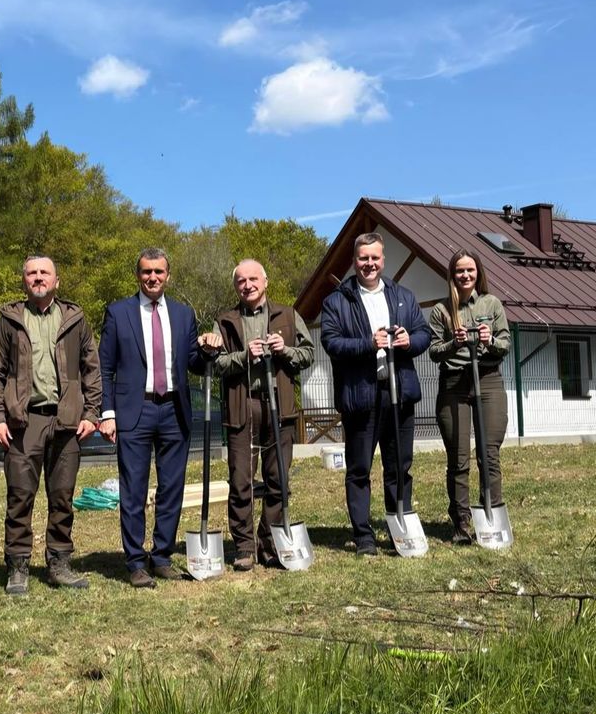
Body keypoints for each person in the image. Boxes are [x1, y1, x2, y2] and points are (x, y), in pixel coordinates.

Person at [0, 255, 102, 596]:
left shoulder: (75, 319)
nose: (38, 278)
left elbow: (91, 367)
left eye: (44, 273)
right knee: (20, 496)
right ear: (24, 280)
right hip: (24, 422)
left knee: (62, 496)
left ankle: (59, 563)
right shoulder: (10, 320)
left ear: (56, 280)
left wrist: (91, 413)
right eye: (32, 273)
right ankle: (18, 566)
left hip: (66, 421)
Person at [98, 247, 207, 587]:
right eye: (146, 272)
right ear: (138, 275)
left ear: (168, 276)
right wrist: (107, 412)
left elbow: (195, 363)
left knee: (172, 488)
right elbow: (104, 367)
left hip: (175, 410)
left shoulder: (184, 314)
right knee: (133, 489)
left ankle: (161, 556)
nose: (153, 278)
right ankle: (134, 562)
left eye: (159, 272)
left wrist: (208, 351)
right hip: (135, 410)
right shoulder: (118, 313)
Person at [320, 232, 431, 555]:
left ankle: (399, 527)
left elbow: (424, 333)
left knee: (400, 466)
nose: (369, 264)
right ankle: (364, 535)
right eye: (363, 258)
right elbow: (331, 343)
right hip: (362, 396)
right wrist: (369, 344)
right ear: (354, 261)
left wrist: (410, 341)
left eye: (375, 258)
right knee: (359, 470)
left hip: (400, 394)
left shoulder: (403, 296)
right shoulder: (337, 301)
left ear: (383, 260)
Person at [200, 260, 314, 570]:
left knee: (278, 480)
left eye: (253, 279)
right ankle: (245, 548)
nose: (247, 285)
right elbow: (216, 363)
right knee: (241, 481)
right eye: (241, 281)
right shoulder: (225, 321)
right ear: (235, 286)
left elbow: (308, 354)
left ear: (265, 281)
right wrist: (243, 357)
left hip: (279, 405)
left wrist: (284, 350)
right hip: (243, 404)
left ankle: (270, 542)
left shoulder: (288, 315)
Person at [428, 249, 511, 544]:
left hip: (487, 380)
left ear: (478, 273)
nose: (465, 275)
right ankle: (461, 524)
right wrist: (454, 343)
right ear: (452, 274)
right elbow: (434, 350)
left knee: (488, 454)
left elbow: (506, 343)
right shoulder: (441, 310)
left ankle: (491, 516)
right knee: (458, 458)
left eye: (470, 270)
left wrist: (489, 341)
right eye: (460, 271)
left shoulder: (492, 304)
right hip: (454, 385)